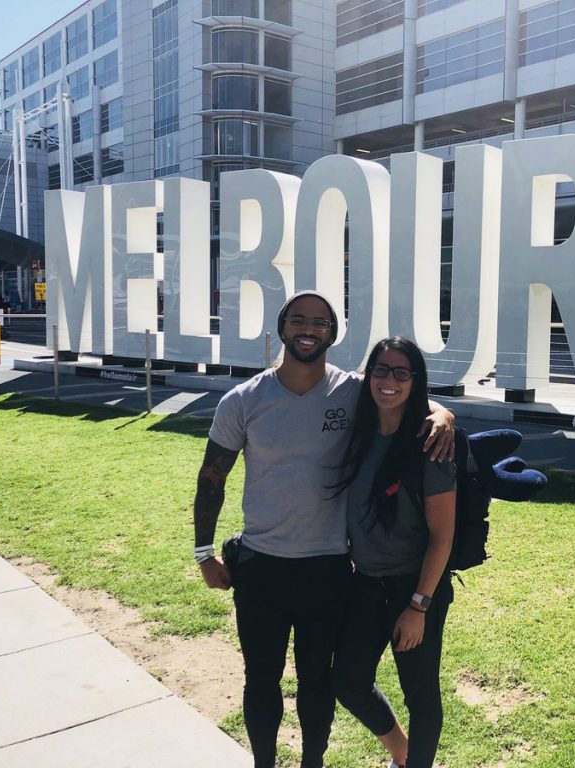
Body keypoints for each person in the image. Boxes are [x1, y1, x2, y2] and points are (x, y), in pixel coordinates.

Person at [193, 291, 454, 768]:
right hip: (260, 567)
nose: (308, 329)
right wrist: (203, 553)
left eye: (319, 321)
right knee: (261, 681)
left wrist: (444, 414)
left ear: (333, 333)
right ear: (282, 327)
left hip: (330, 570)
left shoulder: (351, 390)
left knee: (318, 682)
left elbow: (401, 392)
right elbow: (212, 479)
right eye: (298, 320)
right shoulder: (242, 400)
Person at [331, 337, 457, 768]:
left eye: (402, 373)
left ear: (415, 381)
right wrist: (444, 411)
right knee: (348, 680)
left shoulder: (430, 444)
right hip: (365, 584)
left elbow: (443, 536)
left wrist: (418, 607)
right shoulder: (359, 429)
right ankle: (403, 755)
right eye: (381, 370)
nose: (389, 380)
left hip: (413, 589)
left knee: (421, 696)